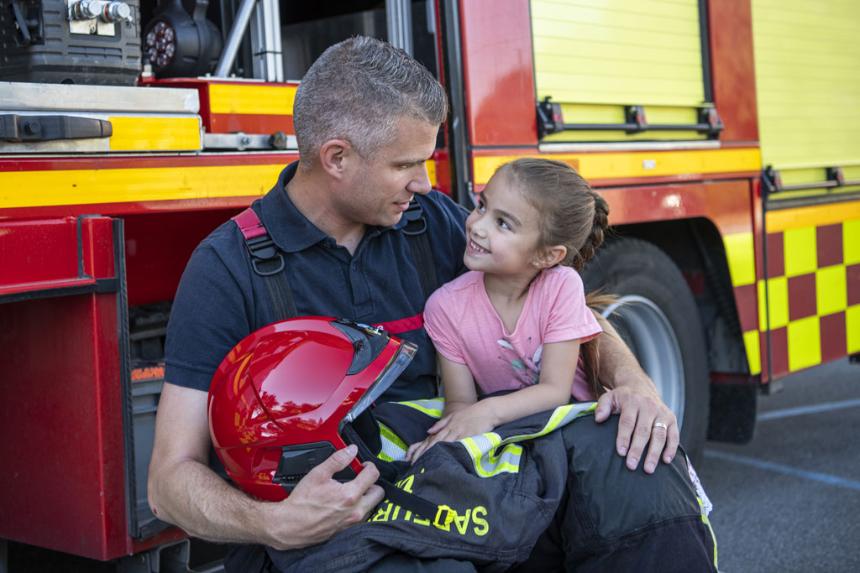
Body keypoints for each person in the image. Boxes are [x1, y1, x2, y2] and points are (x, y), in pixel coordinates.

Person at [148, 36, 684, 572]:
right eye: (408, 165)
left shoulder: (434, 223)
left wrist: (633, 384)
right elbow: (168, 481)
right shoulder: (228, 267)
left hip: (458, 482)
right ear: (337, 157)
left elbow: (564, 308)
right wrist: (273, 524)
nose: (424, 184)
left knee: (638, 474)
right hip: (346, 521)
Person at [406, 158, 610, 463]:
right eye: (482, 206)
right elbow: (461, 402)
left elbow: (555, 391)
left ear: (546, 256)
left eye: (503, 223)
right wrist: (445, 440)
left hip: (579, 434)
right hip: (513, 440)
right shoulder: (444, 308)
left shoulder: (561, 286)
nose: (477, 226)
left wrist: (487, 412)